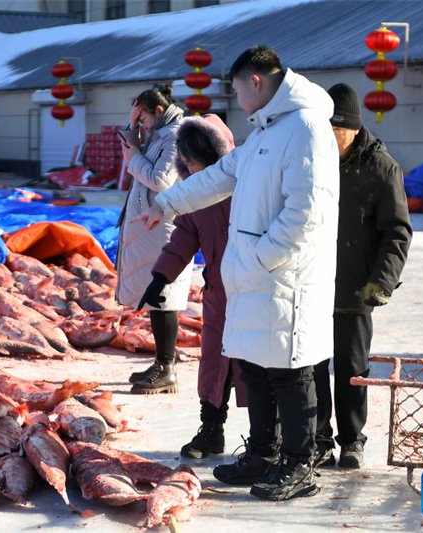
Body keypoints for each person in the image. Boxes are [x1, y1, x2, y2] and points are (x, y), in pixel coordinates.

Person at [133, 46, 339, 501]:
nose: (234, 98)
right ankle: (263, 454)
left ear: (257, 82)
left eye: (235, 88)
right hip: (253, 279)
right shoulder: (267, 132)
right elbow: (218, 176)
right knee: (257, 368)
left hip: (285, 279)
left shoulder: (305, 129)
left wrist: (259, 259)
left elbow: (306, 214)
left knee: (290, 372)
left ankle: (300, 463)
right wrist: (166, 204)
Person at [313, 83, 412, 469]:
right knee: (313, 366)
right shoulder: (314, 160)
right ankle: (318, 438)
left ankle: (352, 440)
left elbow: (397, 230)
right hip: (313, 283)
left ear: (353, 129)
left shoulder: (380, 166)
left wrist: (382, 280)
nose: (331, 140)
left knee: (352, 368)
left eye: (336, 132)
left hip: (356, 287)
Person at [137, 113, 247, 458]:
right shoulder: (192, 197)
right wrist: (160, 277)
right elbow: (184, 237)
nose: (190, 169)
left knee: (255, 371)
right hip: (217, 294)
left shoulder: (247, 186)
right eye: (185, 163)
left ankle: (265, 440)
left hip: (252, 293)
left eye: (194, 161)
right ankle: (211, 431)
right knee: (213, 366)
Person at [117, 84, 192, 395]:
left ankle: (167, 367)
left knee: (166, 298)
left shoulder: (175, 136)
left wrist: (134, 154)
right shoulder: (160, 134)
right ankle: (161, 362)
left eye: (143, 119)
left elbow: (161, 181)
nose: (142, 125)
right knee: (156, 298)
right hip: (151, 226)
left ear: (159, 112)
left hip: (164, 226)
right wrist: (131, 130)